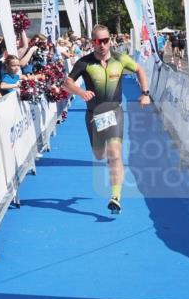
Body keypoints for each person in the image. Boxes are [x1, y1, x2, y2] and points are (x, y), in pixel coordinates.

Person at [63, 25, 151, 215]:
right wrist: (80, 92)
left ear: (110, 40)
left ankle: (116, 197)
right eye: (97, 41)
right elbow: (67, 83)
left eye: (105, 40)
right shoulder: (84, 62)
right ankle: (107, 161)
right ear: (92, 42)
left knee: (115, 154)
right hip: (94, 115)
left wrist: (145, 93)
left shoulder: (120, 58)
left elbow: (139, 70)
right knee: (99, 155)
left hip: (114, 112)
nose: (102, 45)